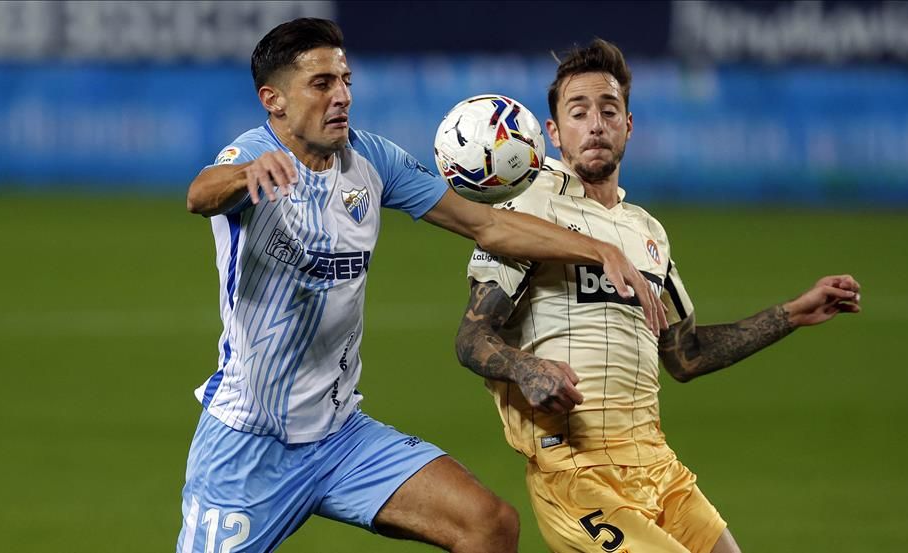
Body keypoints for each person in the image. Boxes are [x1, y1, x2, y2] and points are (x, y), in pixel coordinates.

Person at [177, 19, 667, 553]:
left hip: (341, 438)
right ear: (273, 100)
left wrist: (598, 247)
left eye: (345, 80)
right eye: (322, 84)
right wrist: (245, 174)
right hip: (249, 444)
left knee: (489, 525)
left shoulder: (372, 160)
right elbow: (200, 194)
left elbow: (488, 225)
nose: (341, 96)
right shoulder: (251, 154)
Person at [455, 39, 861, 553]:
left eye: (609, 110)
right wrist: (525, 368)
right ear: (554, 134)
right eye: (578, 113)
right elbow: (472, 337)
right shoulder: (528, 212)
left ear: (629, 124)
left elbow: (684, 355)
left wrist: (790, 315)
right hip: (577, 470)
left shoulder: (647, 232)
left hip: (657, 463)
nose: (596, 124)